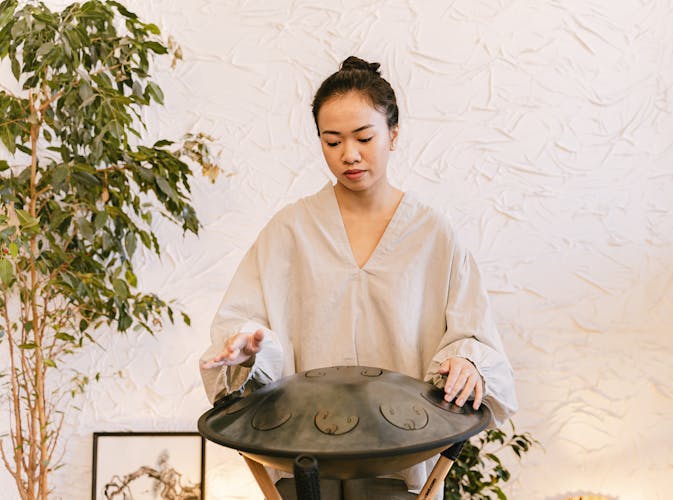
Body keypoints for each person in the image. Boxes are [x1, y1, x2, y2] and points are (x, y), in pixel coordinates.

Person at [199, 56, 517, 499]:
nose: (349, 154)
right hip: (301, 464)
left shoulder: (432, 233)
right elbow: (248, 329)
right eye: (332, 142)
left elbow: (474, 335)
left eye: (364, 137)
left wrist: (465, 361)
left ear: (394, 134)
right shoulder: (290, 230)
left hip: (403, 462)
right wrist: (246, 345)